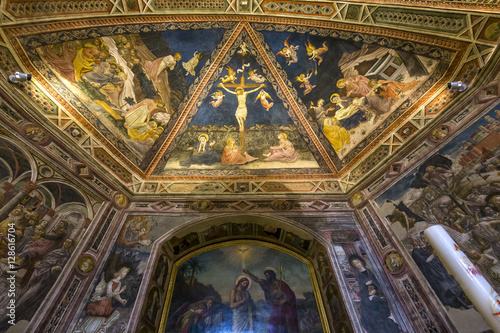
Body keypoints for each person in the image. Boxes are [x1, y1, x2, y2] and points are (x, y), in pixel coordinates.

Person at [348, 255, 400, 333]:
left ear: (361, 261)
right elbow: (362, 288)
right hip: (369, 297)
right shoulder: (360, 276)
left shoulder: (368, 271)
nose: (357, 265)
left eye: (357, 262)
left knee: (382, 311)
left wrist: (375, 290)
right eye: (355, 264)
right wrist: (368, 290)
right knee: (372, 314)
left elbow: (376, 282)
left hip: (377, 294)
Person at [243, 268, 299, 333]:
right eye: (265, 276)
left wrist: (283, 301)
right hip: (276, 306)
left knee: (288, 322)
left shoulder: (280, 283)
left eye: (267, 275)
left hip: (285, 306)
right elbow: (256, 280)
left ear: (271, 275)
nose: (266, 277)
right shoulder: (267, 284)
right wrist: (248, 273)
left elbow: (289, 294)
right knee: (274, 322)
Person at [76, 267, 130, 333]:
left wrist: (121, 300)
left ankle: (101, 329)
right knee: (99, 315)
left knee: (111, 315)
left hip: (108, 302)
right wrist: (120, 291)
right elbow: (109, 294)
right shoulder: (111, 282)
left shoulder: (119, 283)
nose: (125, 274)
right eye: (124, 272)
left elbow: (116, 295)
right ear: (120, 272)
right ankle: (88, 329)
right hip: (103, 300)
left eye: (126, 273)